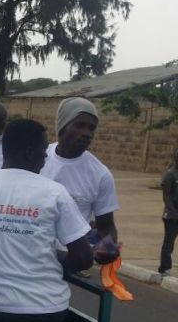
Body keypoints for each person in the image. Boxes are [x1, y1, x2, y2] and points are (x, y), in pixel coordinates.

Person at [0, 119, 101, 322]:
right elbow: (84, 258)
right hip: (49, 311)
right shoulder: (55, 192)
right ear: (30, 153)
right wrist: (55, 266)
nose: (46, 156)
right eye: (43, 150)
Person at [40, 97, 120, 276]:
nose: (87, 133)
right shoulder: (37, 157)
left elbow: (106, 226)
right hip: (26, 252)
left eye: (91, 128)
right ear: (62, 125)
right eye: (79, 125)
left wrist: (108, 245)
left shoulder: (100, 174)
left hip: (66, 262)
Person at [159, 147, 178, 276]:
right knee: (169, 243)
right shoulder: (170, 174)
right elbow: (166, 196)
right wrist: (174, 212)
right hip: (172, 215)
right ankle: (164, 268)